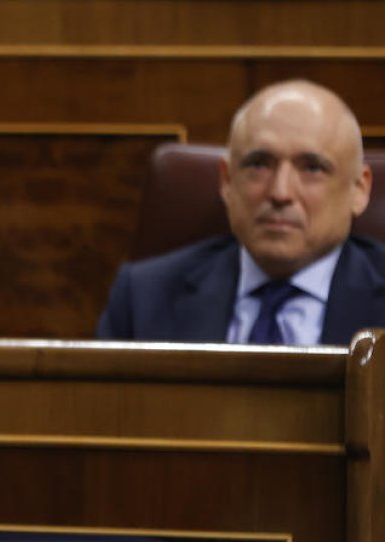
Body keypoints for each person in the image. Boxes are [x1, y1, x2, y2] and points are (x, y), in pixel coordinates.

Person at [97, 79, 385, 345]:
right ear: (227, 181)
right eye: (259, 164)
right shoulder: (143, 298)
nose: (280, 193)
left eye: (312, 168)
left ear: (359, 190)